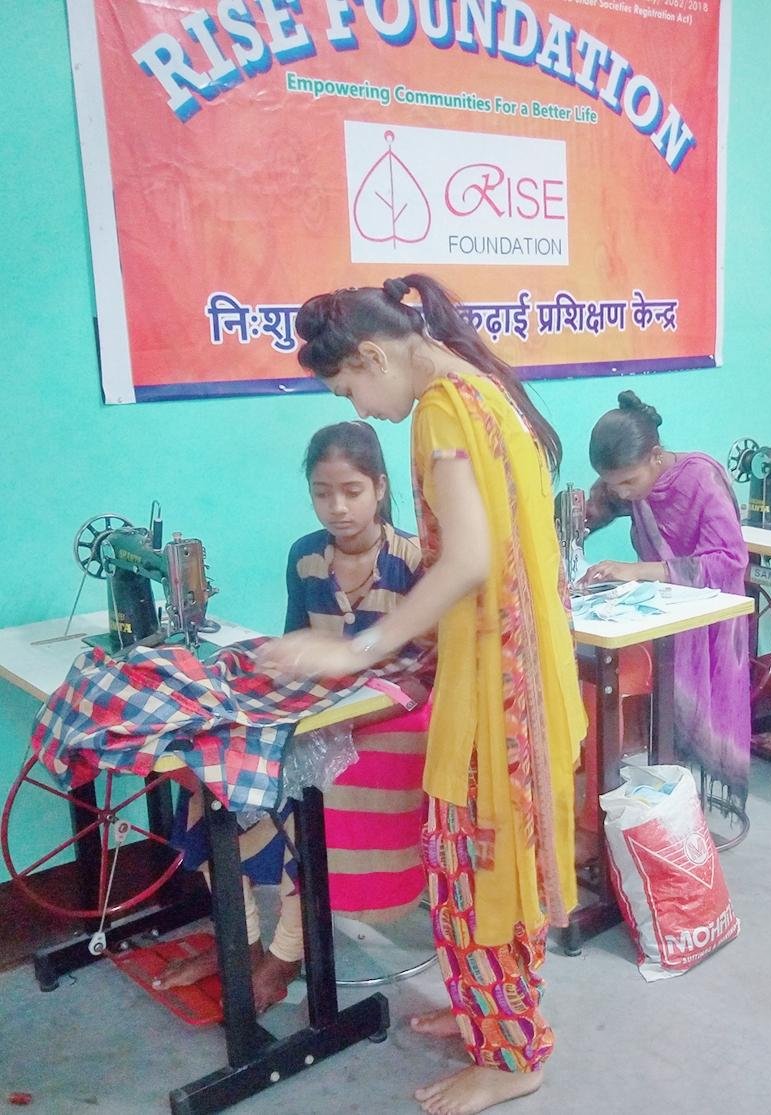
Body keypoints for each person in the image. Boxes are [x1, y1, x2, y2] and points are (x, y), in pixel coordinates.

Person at [262, 274, 585, 1115]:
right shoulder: (483, 389)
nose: (361, 410)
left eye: (349, 390)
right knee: (488, 859)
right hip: (512, 664)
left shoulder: (443, 410)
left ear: (374, 356)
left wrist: (359, 647)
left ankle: (512, 1054)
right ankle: (491, 1011)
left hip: (492, 679)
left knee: (475, 864)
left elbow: (468, 559)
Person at [157, 421, 432, 1012]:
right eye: (322, 493)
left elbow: (430, 667)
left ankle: (285, 954)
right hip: (319, 704)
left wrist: (347, 693)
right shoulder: (306, 556)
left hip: (394, 710)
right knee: (210, 774)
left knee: (307, 791)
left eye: (352, 491)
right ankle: (241, 941)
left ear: (380, 488)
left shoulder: (413, 560)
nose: (338, 507)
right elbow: (295, 639)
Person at [579, 390, 752, 808]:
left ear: (656, 456)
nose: (622, 493)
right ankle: (655, 802)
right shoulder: (626, 484)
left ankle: (681, 807)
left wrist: (638, 570)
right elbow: (590, 511)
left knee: (682, 711)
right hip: (664, 611)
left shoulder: (701, 479)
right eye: (613, 484)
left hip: (711, 618)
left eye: (628, 482)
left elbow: (728, 561)